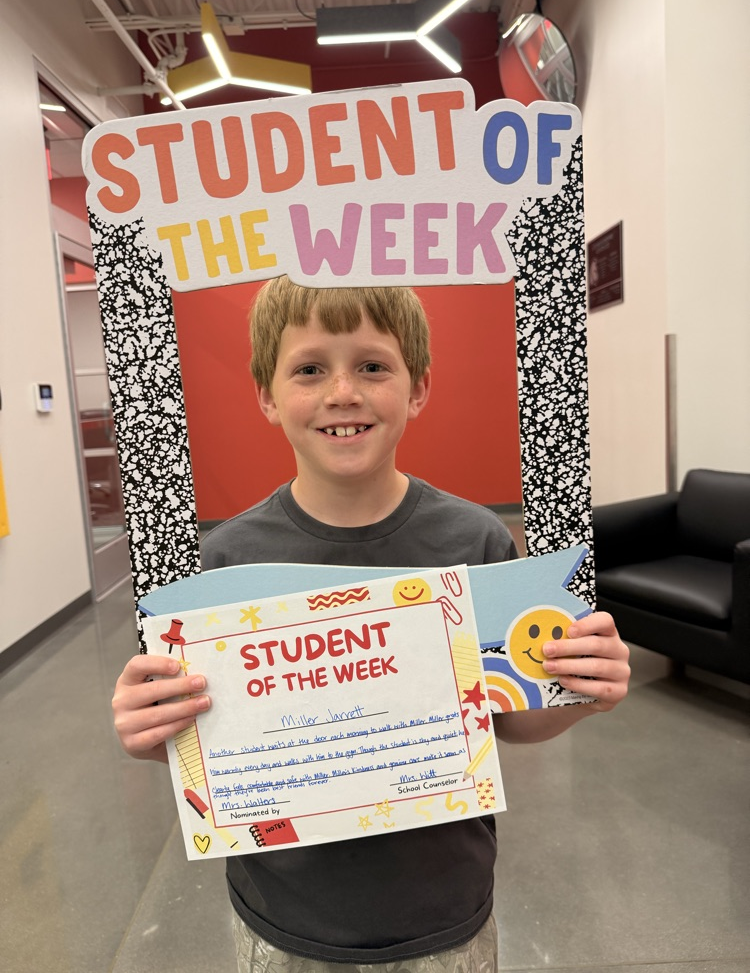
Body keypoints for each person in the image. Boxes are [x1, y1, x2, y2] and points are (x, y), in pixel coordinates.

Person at [112, 276, 630, 973]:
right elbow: (201, 738)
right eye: (308, 369)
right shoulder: (223, 564)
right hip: (283, 919)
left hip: (443, 911)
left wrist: (580, 693)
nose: (342, 393)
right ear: (267, 393)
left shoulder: (474, 544)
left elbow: (509, 717)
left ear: (416, 389)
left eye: (373, 366)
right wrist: (155, 731)